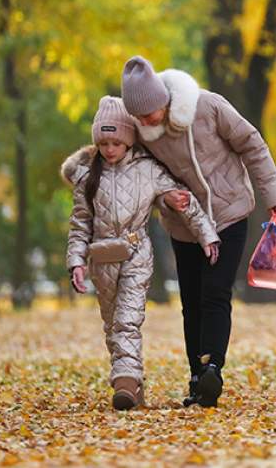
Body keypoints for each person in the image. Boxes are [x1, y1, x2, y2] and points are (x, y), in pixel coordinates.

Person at [121, 56, 276, 408]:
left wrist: (272, 195)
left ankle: (212, 367)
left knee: (216, 292)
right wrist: (165, 199)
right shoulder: (143, 135)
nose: (146, 121)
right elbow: (143, 179)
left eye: (149, 112)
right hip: (184, 226)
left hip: (230, 213)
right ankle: (196, 379)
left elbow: (252, 144)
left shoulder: (207, 106)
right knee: (191, 303)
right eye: (138, 117)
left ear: (163, 100)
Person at [63, 96, 218, 410]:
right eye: (103, 142)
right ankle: (134, 386)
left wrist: (207, 236)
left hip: (136, 255)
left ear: (128, 140)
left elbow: (183, 202)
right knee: (112, 326)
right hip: (102, 259)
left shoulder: (148, 170)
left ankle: (125, 382)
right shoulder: (87, 177)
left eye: (116, 142)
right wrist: (76, 261)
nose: (110, 149)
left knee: (127, 321)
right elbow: (80, 223)